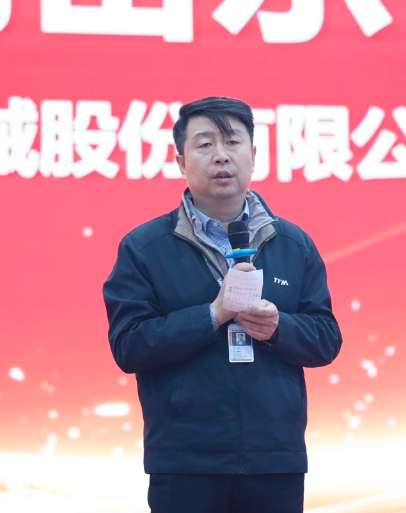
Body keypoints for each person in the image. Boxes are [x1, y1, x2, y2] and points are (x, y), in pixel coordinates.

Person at [103, 96, 342, 513]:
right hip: (185, 463)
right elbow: (129, 346)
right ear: (181, 161)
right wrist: (212, 315)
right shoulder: (144, 248)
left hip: (274, 460)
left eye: (232, 142)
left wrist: (279, 328)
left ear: (254, 155)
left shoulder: (293, 243)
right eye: (205, 144)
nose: (221, 156)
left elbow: (326, 339)